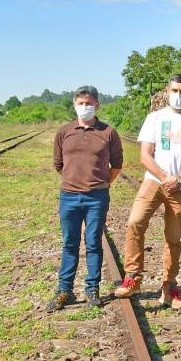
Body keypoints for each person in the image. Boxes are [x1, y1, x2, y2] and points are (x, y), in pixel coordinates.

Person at [114, 74, 181, 309]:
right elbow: (145, 155)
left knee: (173, 238)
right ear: (168, 90)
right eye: (174, 90)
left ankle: (169, 288)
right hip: (153, 182)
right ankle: (133, 278)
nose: (178, 95)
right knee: (135, 222)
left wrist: (180, 177)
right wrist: (166, 178)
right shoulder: (155, 118)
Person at [48, 86, 123, 311]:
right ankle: (64, 290)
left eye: (89, 103)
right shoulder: (64, 132)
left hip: (96, 198)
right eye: (81, 103)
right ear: (74, 105)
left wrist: (102, 183)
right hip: (69, 197)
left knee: (93, 243)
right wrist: (74, 181)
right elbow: (58, 164)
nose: (85, 107)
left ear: (97, 105)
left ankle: (92, 289)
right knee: (70, 243)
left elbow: (117, 165)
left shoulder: (108, 132)